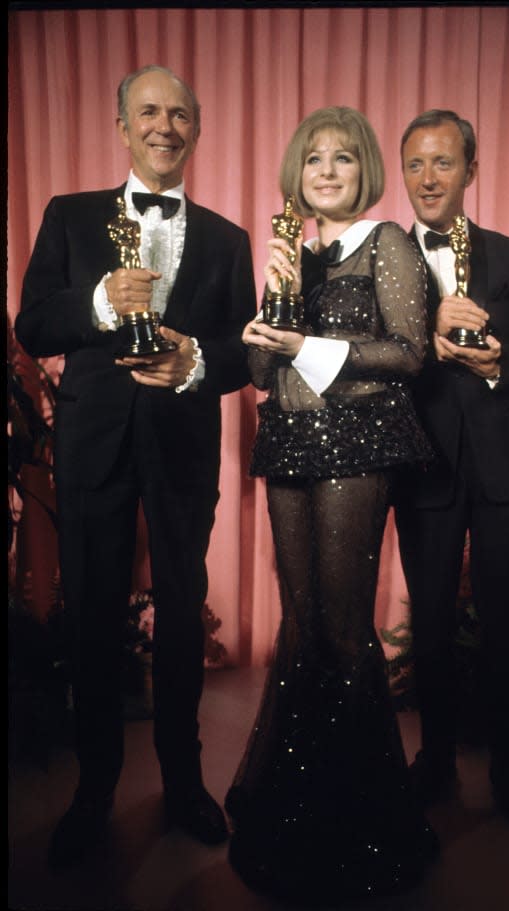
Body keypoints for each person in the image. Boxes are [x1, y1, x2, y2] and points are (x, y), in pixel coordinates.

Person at [15, 65, 256, 868]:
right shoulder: (70, 216)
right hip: (92, 445)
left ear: (196, 128)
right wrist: (96, 303)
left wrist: (193, 362)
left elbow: (240, 356)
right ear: (122, 126)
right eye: (149, 111)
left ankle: (185, 783)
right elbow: (32, 323)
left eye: (179, 113)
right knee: (90, 615)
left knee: (184, 613)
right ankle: (94, 790)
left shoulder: (228, 239)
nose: (165, 125)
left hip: (183, 446)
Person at [224, 106, 437, 903]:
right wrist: (278, 290)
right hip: (288, 443)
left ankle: (364, 822)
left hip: (359, 443)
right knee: (305, 625)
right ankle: (295, 811)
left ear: (364, 171)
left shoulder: (387, 244)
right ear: (297, 173)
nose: (326, 170)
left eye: (342, 159)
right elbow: (254, 366)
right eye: (314, 159)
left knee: (347, 632)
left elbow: (409, 354)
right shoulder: (295, 254)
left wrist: (305, 347)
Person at [394, 109, 509, 836]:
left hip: (506, 471)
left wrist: (501, 361)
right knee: (429, 627)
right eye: (415, 165)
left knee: (507, 627)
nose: (428, 178)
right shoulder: (384, 261)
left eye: (442, 163)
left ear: (472, 170)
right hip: (423, 467)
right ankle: (434, 758)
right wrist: (425, 344)